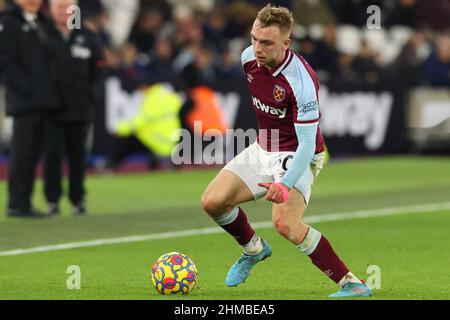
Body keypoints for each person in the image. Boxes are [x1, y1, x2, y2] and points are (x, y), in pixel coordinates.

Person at [201, 4, 372, 298]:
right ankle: (253, 249)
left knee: (285, 224)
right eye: (254, 39)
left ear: (286, 43)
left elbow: (307, 144)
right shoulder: (248, 59)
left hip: (297, 155)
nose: (257, 47)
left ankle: (352, 283)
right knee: (212, 202)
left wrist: (285, 183)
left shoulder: (302, 81)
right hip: (263, 147)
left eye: (266, 42)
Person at [44, 0, 104, 215]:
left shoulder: (87, 36)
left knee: (78, 158)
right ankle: (52, 201)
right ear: (51, 9)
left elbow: (99, 68)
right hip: (52, 110)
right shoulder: (43, 34)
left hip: (80, 109)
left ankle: (78, 200)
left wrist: (91, 96)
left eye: (68, 6)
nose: (64, 11)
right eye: (59, 7)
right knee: (52, 158)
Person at [0, 0, 59, 217]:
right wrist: (25, 88)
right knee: (22, 152)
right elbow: (4, 62)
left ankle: (24, 201)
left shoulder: (42, 21)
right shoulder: (8, 22)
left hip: (45, 99)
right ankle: (16, 202)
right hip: (24, 101)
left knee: (34, 152)